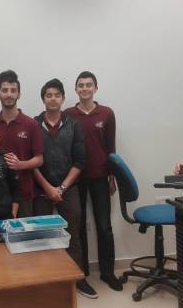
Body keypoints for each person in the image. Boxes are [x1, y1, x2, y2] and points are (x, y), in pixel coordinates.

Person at [32, 79, 94, 296]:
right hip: (41, 189)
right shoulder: (33, 125)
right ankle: (46, 282)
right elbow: (32, 162)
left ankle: (78, 279)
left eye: (57, 95)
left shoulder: (73, 125)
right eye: (48, 95)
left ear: (63, 98)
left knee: (73, 235)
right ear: (43, 99)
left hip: (69, 188)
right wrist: (48, 188)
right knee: (41, 237)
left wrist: (62, 187)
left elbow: (80, 161)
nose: (53, 99)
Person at [65, 71, 122, 296]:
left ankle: (108, 273)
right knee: (78, 226)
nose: (85, 89)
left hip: (100, 176)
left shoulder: (107, 113)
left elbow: (111, 149)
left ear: (95, 88)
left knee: (104, 225)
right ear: (76, 89)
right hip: (76, 178)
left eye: (89, 85)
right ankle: (82, 272)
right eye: (81, 85)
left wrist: (112, 177)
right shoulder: (68, 114)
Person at [0, 70, 43, 216]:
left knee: (24, 231)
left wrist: (21, 165)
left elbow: (39, 159)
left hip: (23, 193)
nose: (9, 94)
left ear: (19, 94)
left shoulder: (31, 124)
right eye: (4, 90)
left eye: (13, 90)